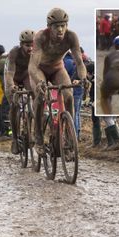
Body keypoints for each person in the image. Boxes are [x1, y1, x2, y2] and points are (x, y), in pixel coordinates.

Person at [28, 8, 87, 155]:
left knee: (68, 95)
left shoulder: (72, 37)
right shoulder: (41, 37)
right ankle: (39, 137)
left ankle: (68, 136)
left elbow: (79, 63)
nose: (60, 29)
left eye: (63, 25)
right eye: (56, 26)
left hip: (57, 68)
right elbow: (32, 67)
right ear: (50, 27)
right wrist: (40, 83)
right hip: (39, 69)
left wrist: (84, 79)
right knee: (41, 97)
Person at [5, 30, 34, 154]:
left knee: (34, 95)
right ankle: (15, 139)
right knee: (15, 106)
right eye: (27, 45)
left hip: (26, 76)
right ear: (21, 44)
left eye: (32, 45)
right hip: (13, 78)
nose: (30, 48)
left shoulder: (37, 52)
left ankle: (31, 131)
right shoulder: (14, 52)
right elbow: (9, 72)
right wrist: (11, 86)